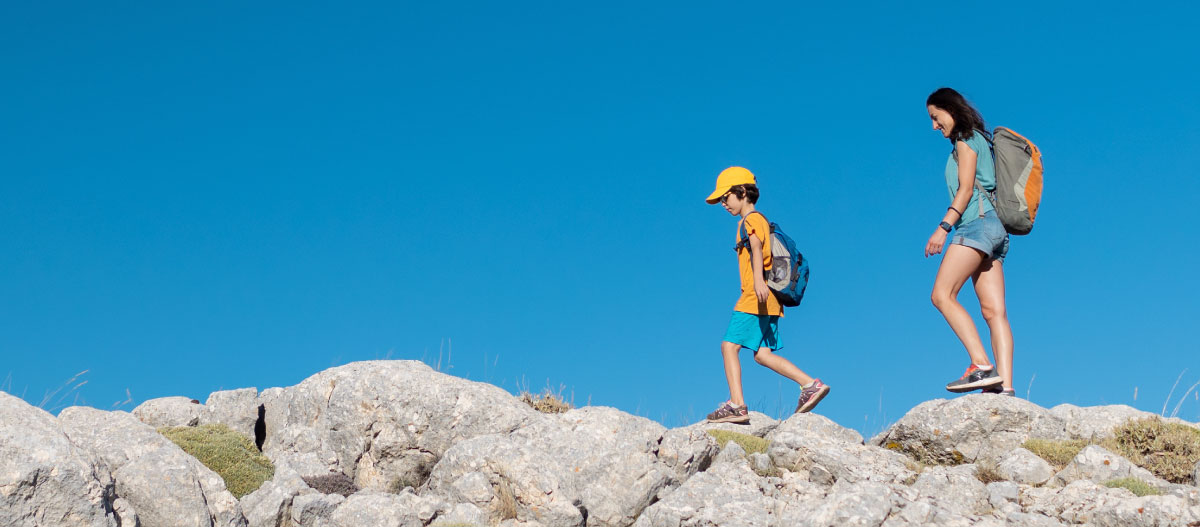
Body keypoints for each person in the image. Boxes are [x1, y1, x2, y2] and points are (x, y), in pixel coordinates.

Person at [703, 167, 830, 424]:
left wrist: (759, 281)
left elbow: (757, 246)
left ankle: (737, 405)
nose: (723, 204)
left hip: (755, 295)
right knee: (762, 354)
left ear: (741, 192)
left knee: (728, 346)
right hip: (770, 299)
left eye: (725, 198)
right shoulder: (761, 220)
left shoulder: (750, 220)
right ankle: (809, 385)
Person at [923, 87, 1014, 396]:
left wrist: (943, 227)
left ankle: (981, 365)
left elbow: (965, 189)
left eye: (936, 118)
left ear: (951, 110)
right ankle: (1006, 389)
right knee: (994, 312)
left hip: (975, 225)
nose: (934, 126)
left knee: (941, 295)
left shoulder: (965, 140)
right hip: (996, 229)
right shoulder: (980, 140)